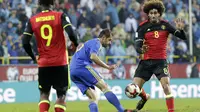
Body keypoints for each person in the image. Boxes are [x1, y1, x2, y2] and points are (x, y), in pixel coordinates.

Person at [22, 0, 78, 112]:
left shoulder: (33, 20)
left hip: (44, 63)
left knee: (44, 94)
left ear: (39, 4)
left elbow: (25, 42)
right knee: (61, 96)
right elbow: (71, 33)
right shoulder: (60, 16)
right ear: (53, 4)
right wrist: (75, 44)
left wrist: (34, 57)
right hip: (60, 62)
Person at [132, 0, 186, 112]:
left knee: (166, 87)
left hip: (160, 62)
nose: (153, 15)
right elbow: (137, 45)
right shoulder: (142, 27)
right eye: (150, 13)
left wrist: (181, 29)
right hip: (146, 61)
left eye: (155, 13)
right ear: (148, 14)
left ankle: (171, 110)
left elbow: (182, 37)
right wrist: (141, 49)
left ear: (159, 13)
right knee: (134, 89)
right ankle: (145, 97)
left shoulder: (165, 25)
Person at [70, 29, 133, 112]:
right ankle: (121, 110)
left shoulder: (90, 42)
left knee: (93, 97)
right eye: (109, 40)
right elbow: (93, 57)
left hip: (72, 71)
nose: (110, 43)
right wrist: (107, 67)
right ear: (103, 37)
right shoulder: (97, 42)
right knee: (105, 87)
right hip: (82, 66)